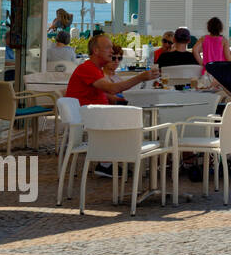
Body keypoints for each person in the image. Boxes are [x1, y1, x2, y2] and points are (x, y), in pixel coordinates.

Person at [65, 34, 160, 177]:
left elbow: (103, 92)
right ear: (96, 51)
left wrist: (118, 98)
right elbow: (112, 88)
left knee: (135, 118)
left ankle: (114, 162)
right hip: (93, 120)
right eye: (108, 47)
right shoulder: (88, 68)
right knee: (137, 122)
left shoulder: (94, 69)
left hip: (97, 116)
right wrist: (141, 77)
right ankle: (110, 163)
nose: (112, 51)